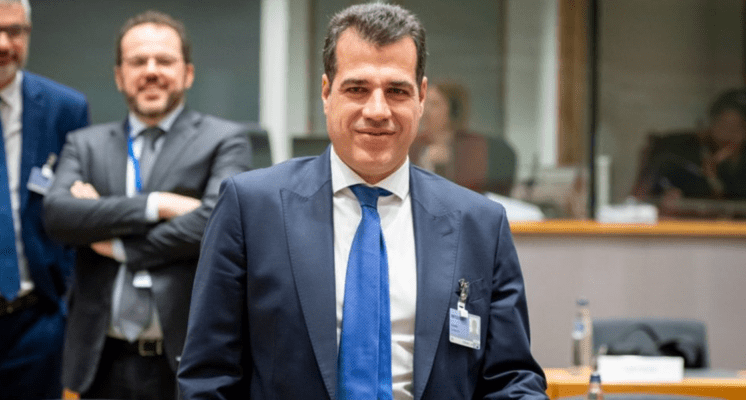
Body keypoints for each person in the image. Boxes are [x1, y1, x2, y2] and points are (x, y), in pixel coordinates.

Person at [178, 3, 547, 399]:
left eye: (397, 91)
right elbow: (208, 378)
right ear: (326, 93)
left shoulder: (479, 224)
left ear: (421, 97)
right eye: (357, 89)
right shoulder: (251, 209)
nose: (377, 110)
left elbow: (511, 379)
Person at [42, 10, 254, 399]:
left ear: (188, 73)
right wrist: (158, 204)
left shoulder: (225, 140)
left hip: (186, 361)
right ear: (119, 75)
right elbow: (58, 216)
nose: (151, 71)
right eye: (138, 61)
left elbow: (218, 223)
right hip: (99, 362)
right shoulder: (85, 145)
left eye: (165, 61)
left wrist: (116, 242)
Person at [0, 0, 89, 398]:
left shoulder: (65, 109)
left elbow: (78, 208)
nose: (3, 44)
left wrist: (65, 302)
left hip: (35, 321)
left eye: (16, 31)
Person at [631, 88, 746, 217]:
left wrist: (715, 179)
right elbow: (638, 201)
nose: (729, 134)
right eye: (724, 125)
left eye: (739, 127)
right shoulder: (676, 152)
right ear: (711, 124)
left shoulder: (739, 165)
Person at [410, 81, 517, 196]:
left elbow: (475, 187)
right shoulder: (412, 143)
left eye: (434, 104)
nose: (425, 110)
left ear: (453, 110)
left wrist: (451, 161)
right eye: (424, 103)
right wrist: (424, 162)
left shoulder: (477, 145)